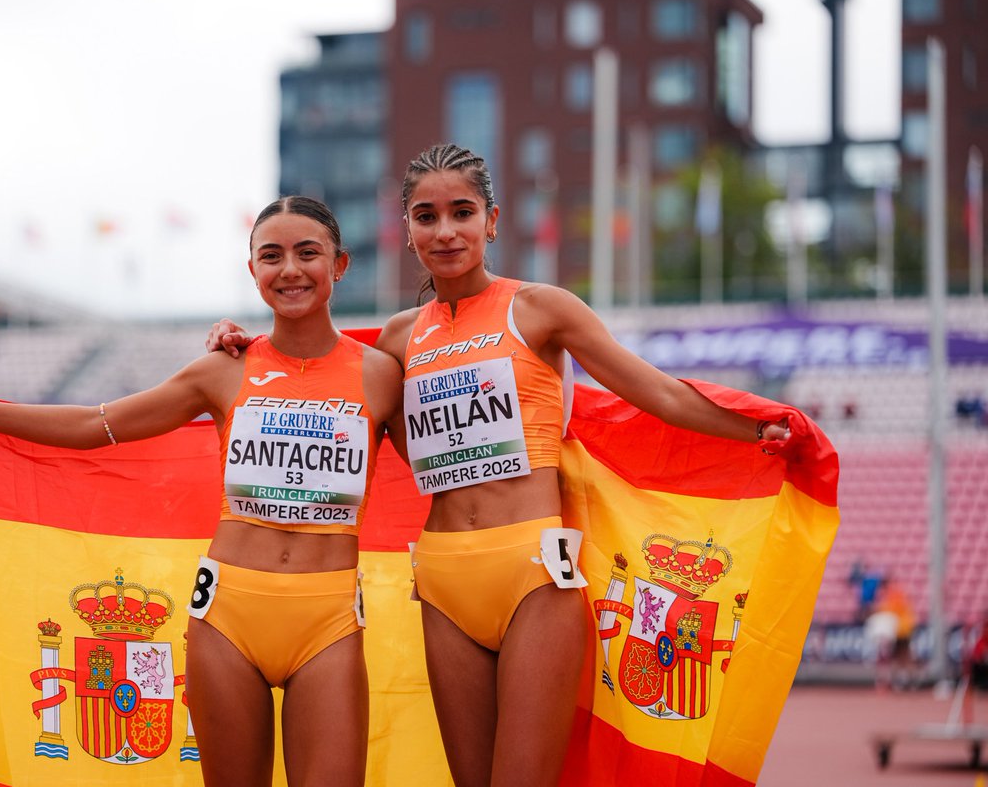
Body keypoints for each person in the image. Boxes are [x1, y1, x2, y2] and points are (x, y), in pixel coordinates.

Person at [207, 143, 791, 787]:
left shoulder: (543, 309)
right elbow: (310, 370)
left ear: (492, 220)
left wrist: (755, 427)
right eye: (426, 216)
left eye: (462, 212)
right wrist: (239, 343)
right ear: (407, 231)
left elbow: (654, 391)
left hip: (535, 573)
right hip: (443, 582)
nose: (446, 230)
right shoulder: (397, 340)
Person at [0, 196, 402, 787]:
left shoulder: (382, 374)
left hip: (329, 621)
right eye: (271, 256)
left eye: (307, 253)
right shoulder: (222, 370)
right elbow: (99, 424)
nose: (289, 269)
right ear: (252, 271)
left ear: (339, 265)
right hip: (228, 620)